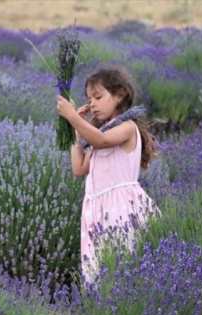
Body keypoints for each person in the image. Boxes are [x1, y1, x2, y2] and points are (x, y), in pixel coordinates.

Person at [56, 65, 160, 284]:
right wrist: (77, 128)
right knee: (99, 273)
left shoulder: (127, 127)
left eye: (98, 96)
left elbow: (100, 141)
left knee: (122, 267)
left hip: (120, 209)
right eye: (89, 98)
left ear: (120, 95)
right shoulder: (101, 131)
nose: (92, 103)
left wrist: (73, 117)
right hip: (96, 210)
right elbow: (79, 168)